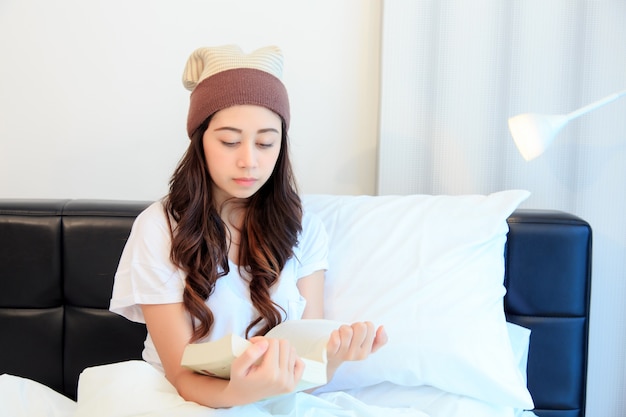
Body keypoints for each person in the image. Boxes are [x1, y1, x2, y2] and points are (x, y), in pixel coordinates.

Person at [109, 45, 387, 408]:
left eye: (266, 142)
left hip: (274, 403)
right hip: (183, 403)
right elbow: (180, 377)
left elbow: (306, 370)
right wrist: (236, 394)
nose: (249, 161)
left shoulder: (305, 228)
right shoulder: (159, 227)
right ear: (200, 140)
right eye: (229, 141)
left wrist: (332, 356)